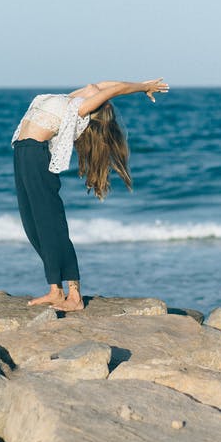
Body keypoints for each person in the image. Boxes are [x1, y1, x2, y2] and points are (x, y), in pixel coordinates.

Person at [11, 78, 169, 311]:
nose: (97, 86)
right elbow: (105, 84)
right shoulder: (72, 98)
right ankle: (55, 291)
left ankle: (75, 296)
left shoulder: (81, 108)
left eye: (99, 93)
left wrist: (143, 87)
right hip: (22, 154)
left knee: (50, 225)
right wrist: (121, 86)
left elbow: (116, 89)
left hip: (36, 156)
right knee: (32, 226)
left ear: (96, 106)